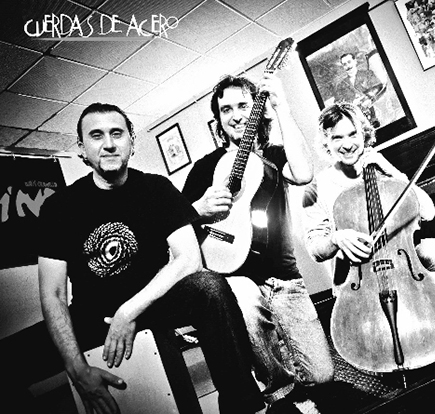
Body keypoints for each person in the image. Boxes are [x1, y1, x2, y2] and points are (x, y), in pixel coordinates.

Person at [3, 103, 266, 414]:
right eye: (96, 136)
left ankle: (243, 407)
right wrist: (76, 367)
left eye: (117, 133)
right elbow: (53, 293)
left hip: (153, 303)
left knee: (209, 287)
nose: (109, 144)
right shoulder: (59, 208)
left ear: (131, 141)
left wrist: (128, 311)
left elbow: (188, 259)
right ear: (82, 148)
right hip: (92, 315)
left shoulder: (157, 188)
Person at [182, 74, 334, 414]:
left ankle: (283, 370)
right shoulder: (205, 168)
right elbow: (177, 225)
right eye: (226, 109)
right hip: (236, 276)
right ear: (218, 119)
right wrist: (199, 209)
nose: (236, 115)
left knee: (321, 376)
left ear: (256, 110)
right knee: (247, 302)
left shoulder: (273, 156)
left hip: (284, 277)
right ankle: (280, 397)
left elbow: (303, 173)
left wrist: (282, 107)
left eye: (243, 106)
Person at [302, 102, 435, 296]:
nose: (347, 145)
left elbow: (428, 212)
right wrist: (335, 238)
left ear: (364, 134)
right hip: (357, 275)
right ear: (326, 143)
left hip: (400, 259)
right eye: (337, 138)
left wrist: (392, 172)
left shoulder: (382, 169)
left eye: (353, 134)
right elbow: (315, 250)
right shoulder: (316, 188)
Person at [333, 53, 384, 129]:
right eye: (344, 64)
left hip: (375, 112)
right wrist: (352, 102)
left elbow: (378, 86)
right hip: (357, 122)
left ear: (355, 61)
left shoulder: (367, 74)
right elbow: (337, 102)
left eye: (349, 62)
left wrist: (368, 98)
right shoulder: (341, 85)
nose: (348, 66)